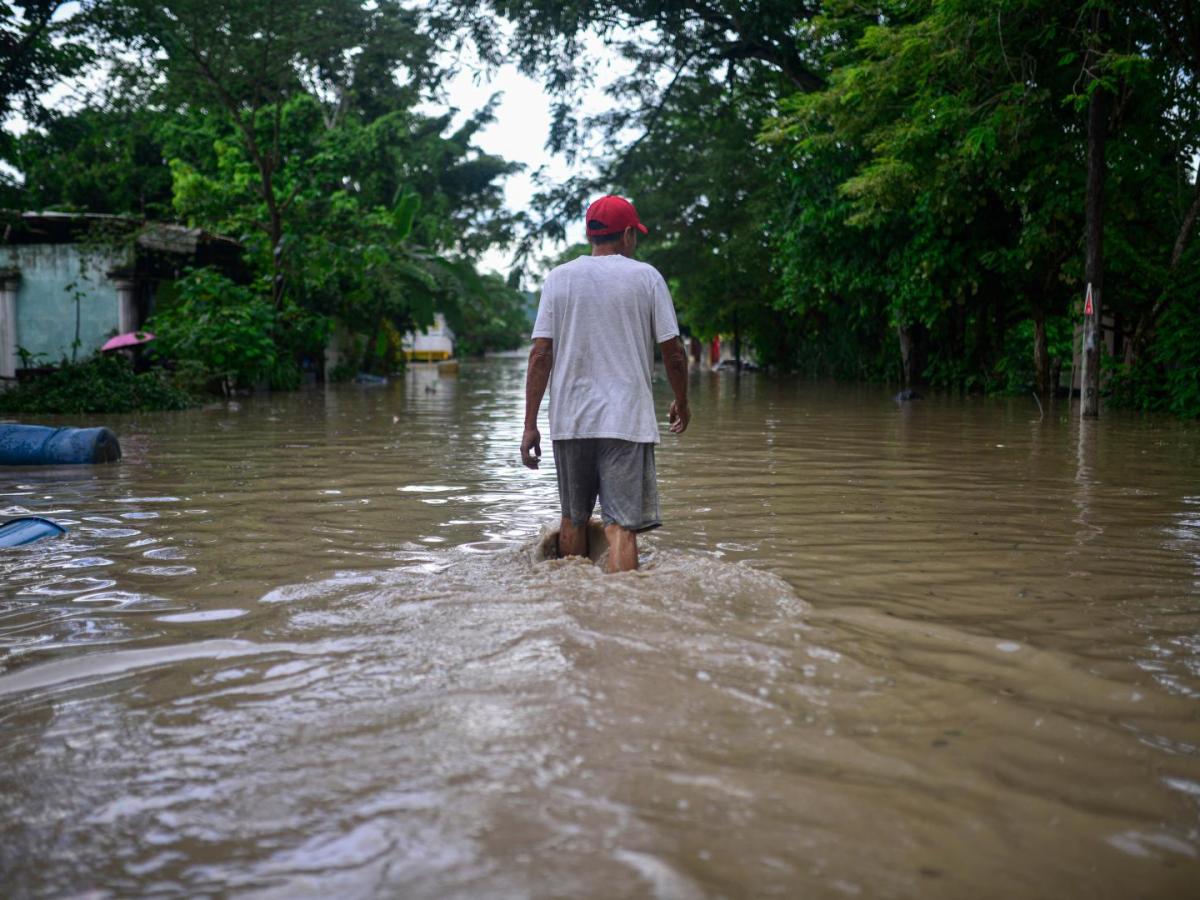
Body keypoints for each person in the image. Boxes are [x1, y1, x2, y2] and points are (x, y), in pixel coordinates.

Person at [520, 194, 690, 572]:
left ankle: (574, 598)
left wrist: (530, 425)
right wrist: (683, 401)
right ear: (628, 234)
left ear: (591, 234)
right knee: (621, 526)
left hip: (570, 419)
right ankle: (622, 609)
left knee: (573, 519)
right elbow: (673, 352)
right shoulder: (646, 277)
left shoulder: (558, 279)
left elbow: (540, 356)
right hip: (626, 421)